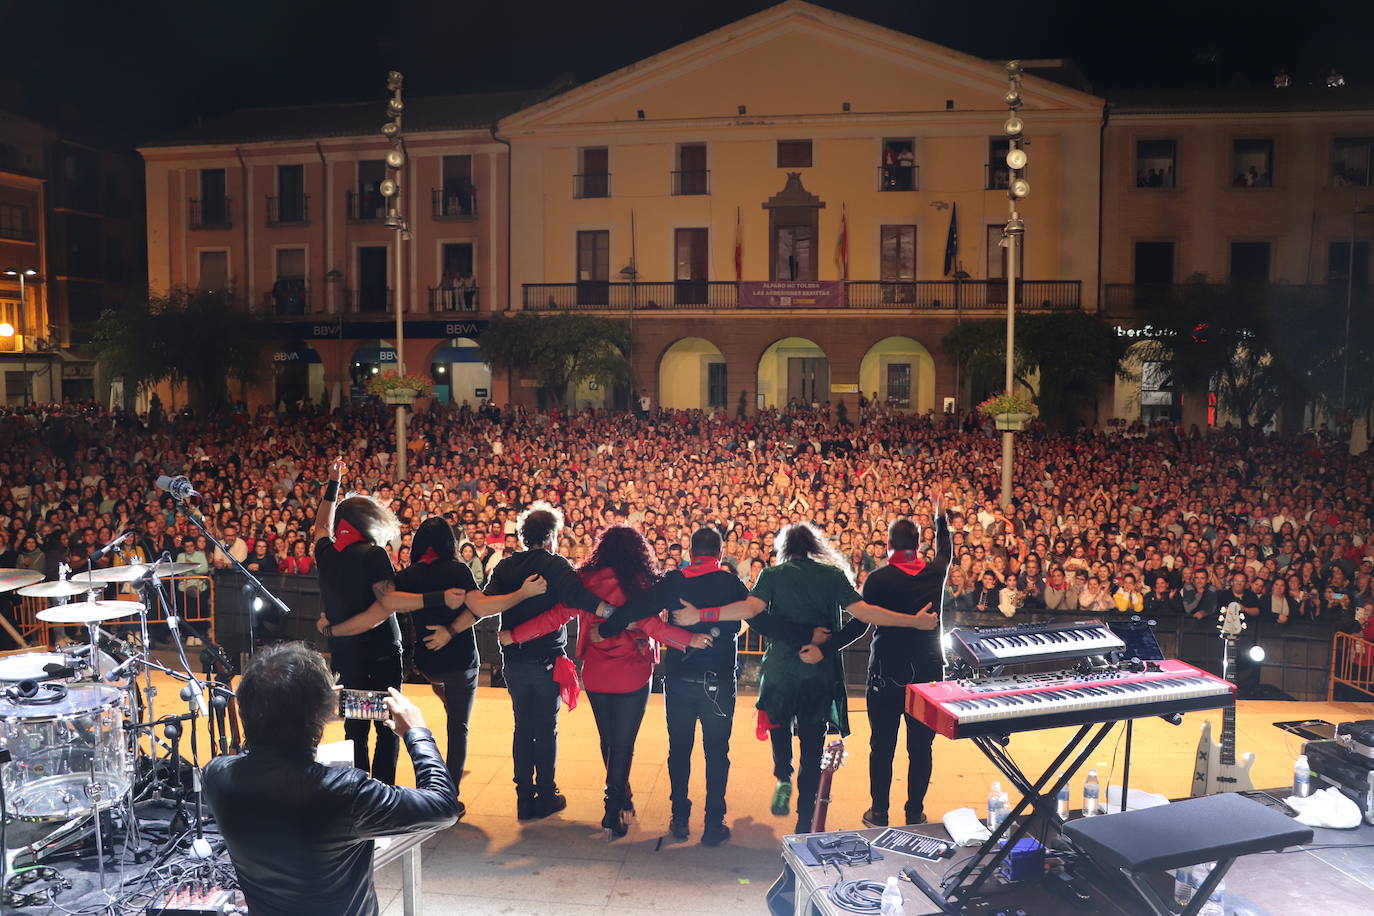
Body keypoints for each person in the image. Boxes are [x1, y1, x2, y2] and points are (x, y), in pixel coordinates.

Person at [672, 521, 936, 834]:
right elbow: (866, 615)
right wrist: (914, 622)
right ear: (813, 547)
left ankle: (783, 773)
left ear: (785, 549)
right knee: (812, 747)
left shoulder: (771, 575)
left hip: (781, 670)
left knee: (778, 724)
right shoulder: (833, 575)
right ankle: (804, 818)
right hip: (817, 671)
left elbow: (749, 610)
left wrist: (701, 615)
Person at [203, 643, 458, 916]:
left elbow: (260, 754)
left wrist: (311, 715)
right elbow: (443, 806)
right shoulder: (345, 792)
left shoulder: (217, 776)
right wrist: (416, 733)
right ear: (319, 713)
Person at [597, 526, 812, 844]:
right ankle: (713, 824)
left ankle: (680, 819)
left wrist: (607, 628)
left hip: (681, 681)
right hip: (720, 683)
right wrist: (803, 638)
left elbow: (639, 607)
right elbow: (761, 620)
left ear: (690, 553)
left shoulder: (675, 581)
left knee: (679, 750)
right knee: (717, 752)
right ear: (721, 554)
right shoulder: (728, 582)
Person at [321, 516, 545, 816]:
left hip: (422, 663)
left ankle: (363, 797)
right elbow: (480, 608)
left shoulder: (401, 575)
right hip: (457, 662)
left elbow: (377, 611)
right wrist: (522, 594)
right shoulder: (456, 570)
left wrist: (332, 630)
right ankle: (447, 796)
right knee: (455, 727)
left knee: (357, 729)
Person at [501, 525, 699, 839]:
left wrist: (515, 635)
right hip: (632, 671)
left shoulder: (585, 580)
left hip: (596, 670)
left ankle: (622, 799)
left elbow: (557, 615)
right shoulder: (642, 582)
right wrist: (693, 639)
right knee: (623, 744)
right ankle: (612, 809)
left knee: (608, 740)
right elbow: (654, 627)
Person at [312, 459, 466, 784]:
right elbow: (387, 605)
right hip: (380, 655)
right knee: (387, 726)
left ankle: (356, 790)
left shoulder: (325, 553)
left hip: (346, 655)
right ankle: (382, 792)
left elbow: (320, 527)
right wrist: (438, 598)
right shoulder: (373, 555)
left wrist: (333, 484)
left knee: (354, 726)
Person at [479, 501, 612, 820]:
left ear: (524, 536)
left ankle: (524, 797)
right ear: (551, 535)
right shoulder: (556, 565)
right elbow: (579, 598)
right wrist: (611, 612)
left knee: (522, 726)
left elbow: (488, 602)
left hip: (512, 659)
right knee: (546, 727)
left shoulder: (506, 566)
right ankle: (546, 793)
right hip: (547, 660)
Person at [827, 487, 949, 828]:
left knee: (882, 744)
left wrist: (828, 645)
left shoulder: (879, 578)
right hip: (927, 672)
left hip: (886, 671)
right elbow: (946, 553)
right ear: (918, 545)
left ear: (890, 546)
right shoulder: (934, 573)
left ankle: (879, 810)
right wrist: (941, 518)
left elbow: (860, 624)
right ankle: (914, 812)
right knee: (921, 747)